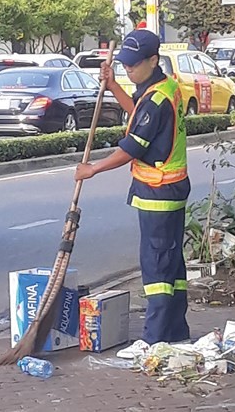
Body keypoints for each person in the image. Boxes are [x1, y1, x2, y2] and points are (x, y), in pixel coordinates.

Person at [74, 30, 191, 359]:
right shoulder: (161, 90)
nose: (128, 70)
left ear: (153, 61)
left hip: (158, 189)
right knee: (172, 265)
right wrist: (113, 87)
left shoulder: (156, 98)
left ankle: (153, 339)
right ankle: (175, 332)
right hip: (169, 187)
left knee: (155, 267)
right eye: (124, 65)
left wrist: (92, 170)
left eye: (133, 66)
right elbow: (138, 115)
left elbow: (132, 147)